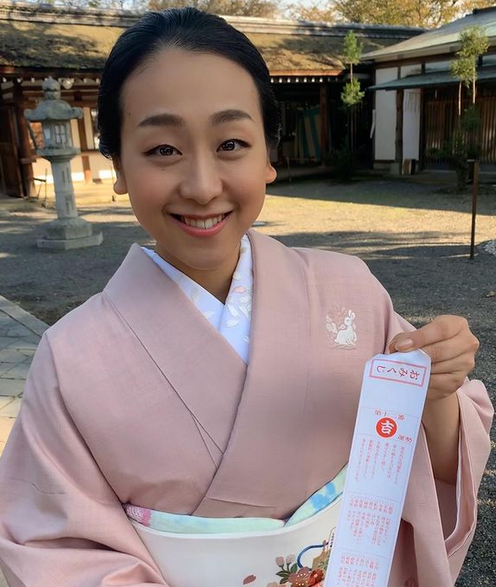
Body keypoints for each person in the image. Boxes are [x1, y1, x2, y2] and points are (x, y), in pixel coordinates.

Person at [0, 8, 492, 587]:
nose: (202, 186)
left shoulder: (349, 291)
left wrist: (437, 392)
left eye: (231, 143)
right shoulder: (72, 357)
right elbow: (53, 548)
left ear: (267, 156)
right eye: (163, 150)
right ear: (121, 166)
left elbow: (426, 463)